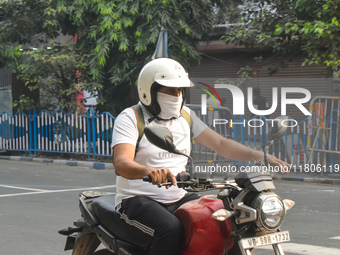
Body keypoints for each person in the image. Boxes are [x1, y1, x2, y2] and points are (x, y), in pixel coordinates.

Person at [112, 58, 290, 255]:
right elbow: (121, 163)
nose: (177, 96)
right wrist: (151, 171)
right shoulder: (131, 118)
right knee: (170, 230)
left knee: (224, 221)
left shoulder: (185, 117)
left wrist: (260, 155)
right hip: (137, 200)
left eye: (180, 90)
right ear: (150, 90)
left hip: (179, 196)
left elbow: (221, 144)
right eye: (170, 90)